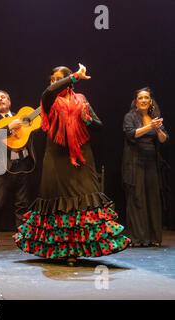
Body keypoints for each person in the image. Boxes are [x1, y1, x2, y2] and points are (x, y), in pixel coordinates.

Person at [14, 64, 130, 266]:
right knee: (58, 204)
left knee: (84, 201)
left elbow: (99, 125)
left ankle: (80, 249)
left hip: (82, 156)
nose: (55, 83)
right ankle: (62, 250)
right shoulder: (48, 101)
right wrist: (75, 76)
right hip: (56, 157)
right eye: (53, 80)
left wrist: (87, 120)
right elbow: (49, 91)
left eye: (59, 79)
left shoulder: (82, 101)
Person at [0, 90, 36, 248]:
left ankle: (22, 237)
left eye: (3, 97)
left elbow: (34, 125)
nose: (0, 100)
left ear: (9, 101)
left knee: (22, 203)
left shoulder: (21, 116)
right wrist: (9, 127)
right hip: (3, 166)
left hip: (23, 164)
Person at [122, 87, 169, 247]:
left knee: (153, 198)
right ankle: (139, 238)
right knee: (138, 197)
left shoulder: (154, 117)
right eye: (140, 98)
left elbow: (163, 139)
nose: (143, 100)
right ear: (136, 101)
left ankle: (154, 237)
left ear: (150, 101)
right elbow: (131, 134)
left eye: (146, 98)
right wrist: (150, 127)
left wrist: (157, 129)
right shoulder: (130, 116)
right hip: (134, 162)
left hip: (151, 162)